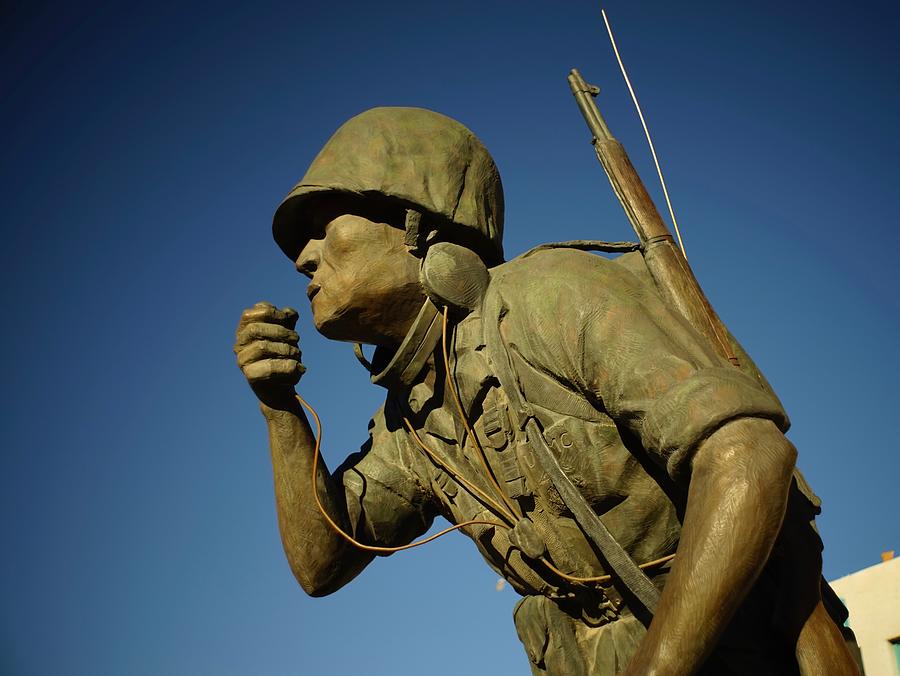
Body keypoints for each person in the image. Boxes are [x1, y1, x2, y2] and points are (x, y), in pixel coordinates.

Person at [234, 107, 859, 674]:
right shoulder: (410, 424)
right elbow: (322, 564)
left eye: (324, 226)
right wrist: (280, 411)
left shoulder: (551, 297)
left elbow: (746, 459)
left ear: (415, 226)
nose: (304, 259)